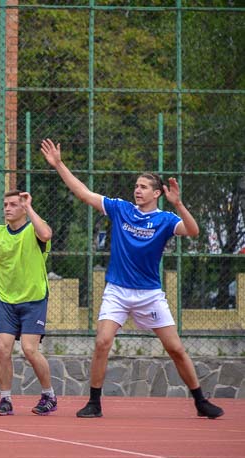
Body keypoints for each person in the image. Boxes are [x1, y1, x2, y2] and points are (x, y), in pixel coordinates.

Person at [40, 138, 224, 420]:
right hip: (117, 290)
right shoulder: (121, 209)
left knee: (175, 348)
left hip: (149, 293)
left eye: (143, 187)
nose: (137, 190)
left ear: (157, 193)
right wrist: (59, 164)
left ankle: (200, 401)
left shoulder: (164, 220)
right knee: (102, 342)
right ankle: (94, 402)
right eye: (136, 186)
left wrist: (180, 204)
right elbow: (83, 193)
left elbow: (193, 231)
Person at [0, 190, 57, 416]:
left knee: (29, 349)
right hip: (7, 301)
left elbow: (46, 234)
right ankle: (5, 400)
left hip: (34, 299)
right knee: (2, 349)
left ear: (24, 208)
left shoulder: (34, 228)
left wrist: (29, 207)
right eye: (5, 204)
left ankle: (49, 395)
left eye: (14, 204)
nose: (7, 208)